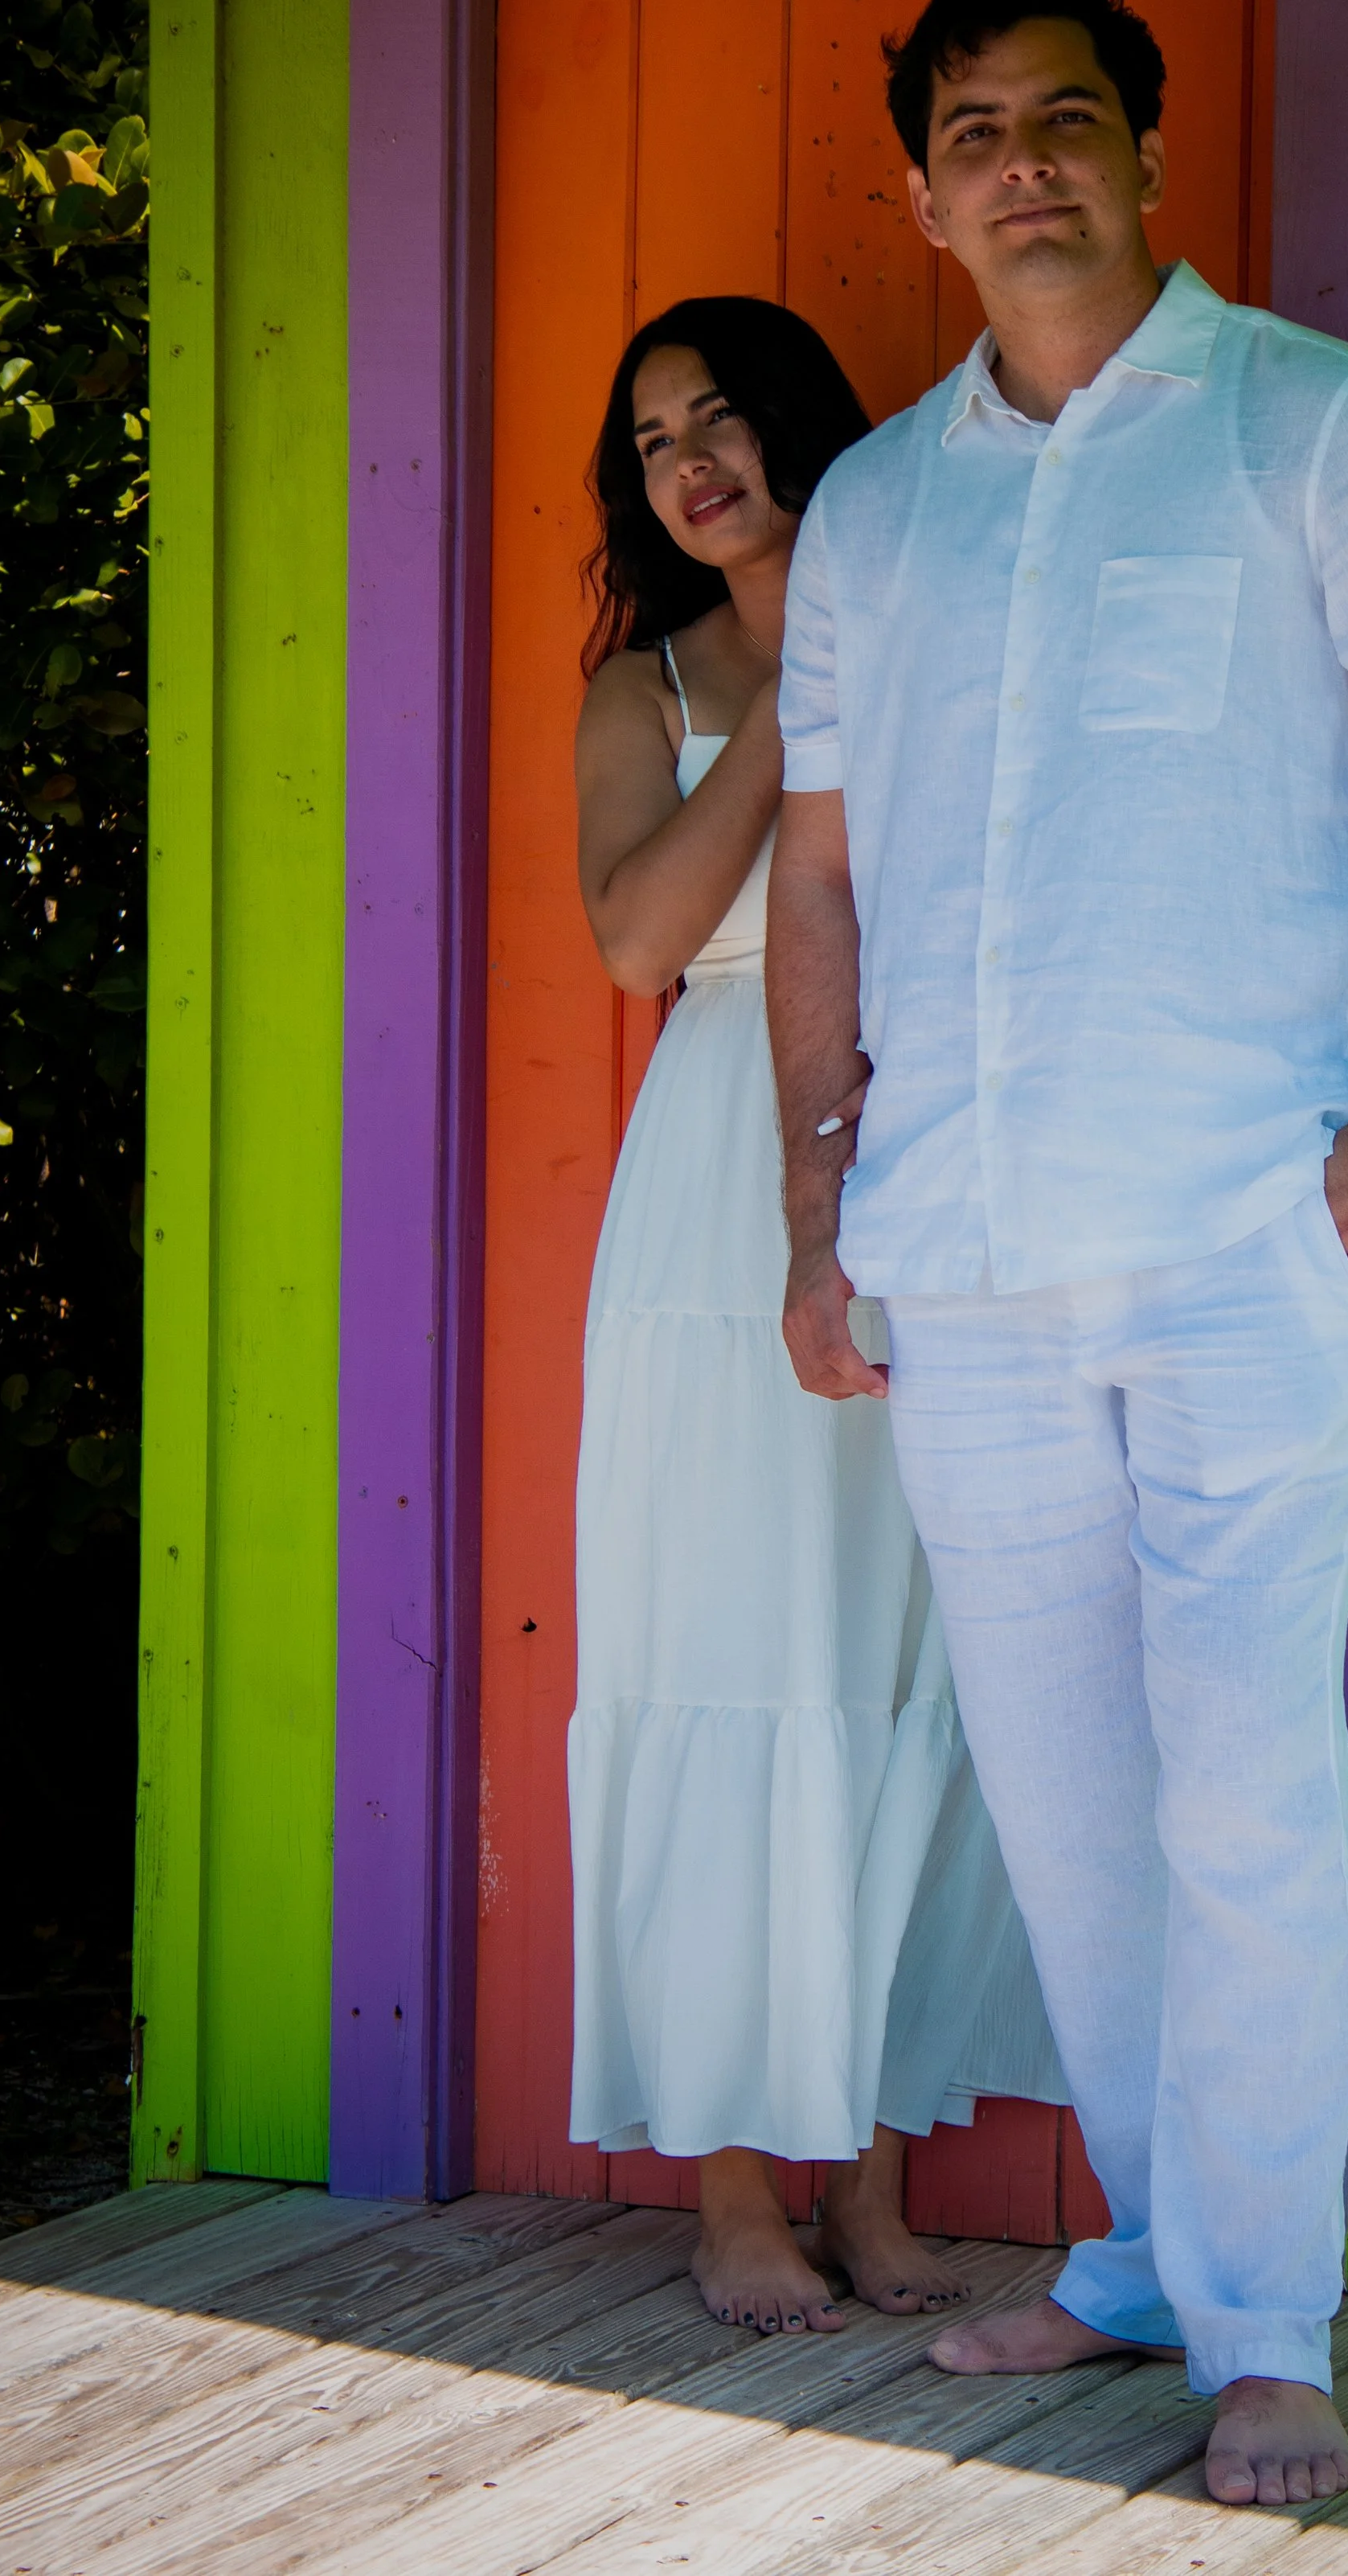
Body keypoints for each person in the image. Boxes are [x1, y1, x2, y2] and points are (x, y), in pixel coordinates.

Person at [766, 0, 1348, 2500]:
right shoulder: (876, 508)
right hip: (962, 1248)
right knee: (1069, 1806)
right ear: (922, 195)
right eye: (971, 132)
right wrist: (818, 1202)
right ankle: (1142, 2258)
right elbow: (818, 874)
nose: (1020, 165)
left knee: (1243, 1794)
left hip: (1247, 1238)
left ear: (1141, 150)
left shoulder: (1319, 427)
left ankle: (1270, 2322)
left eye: (1063, 118)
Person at [567, 293, 1063, 2343]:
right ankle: (729, 2193)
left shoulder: (946, 618)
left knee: (894, 1659)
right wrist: (794, 700)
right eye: (652, 440)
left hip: (921, 1163)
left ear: (797, 425)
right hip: (711, 1206)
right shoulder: (650, 685)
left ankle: (865, 2175)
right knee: (725, 1651)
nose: (691, 462)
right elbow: (639, 937)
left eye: (719, 417)